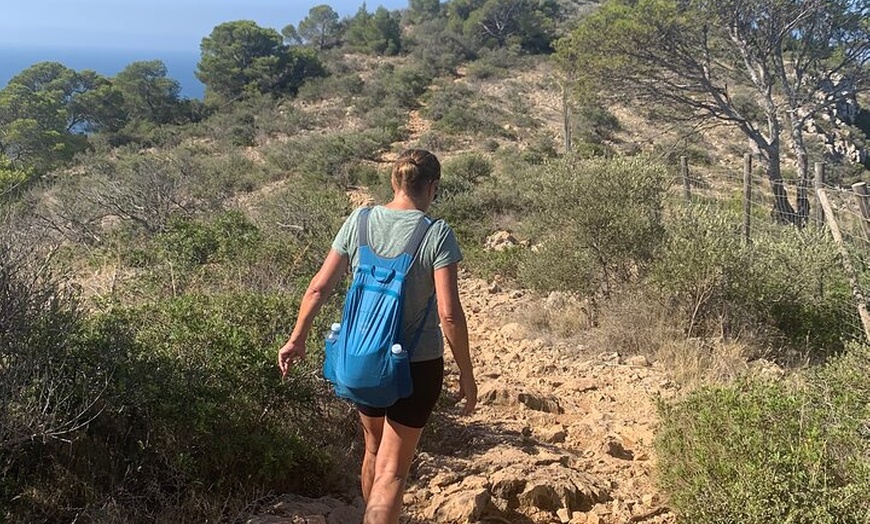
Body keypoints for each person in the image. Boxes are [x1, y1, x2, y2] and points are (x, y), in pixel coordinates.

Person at [277, 148, 477, 524]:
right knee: (393, 472)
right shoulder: (437, 234)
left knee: (372, 452)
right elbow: (449, 314)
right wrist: (466, 372)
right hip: (416, 366)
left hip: (361, 360)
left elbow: (319, 288)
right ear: (432, 188)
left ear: (394, 182)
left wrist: (297, 338)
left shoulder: (360, 220)